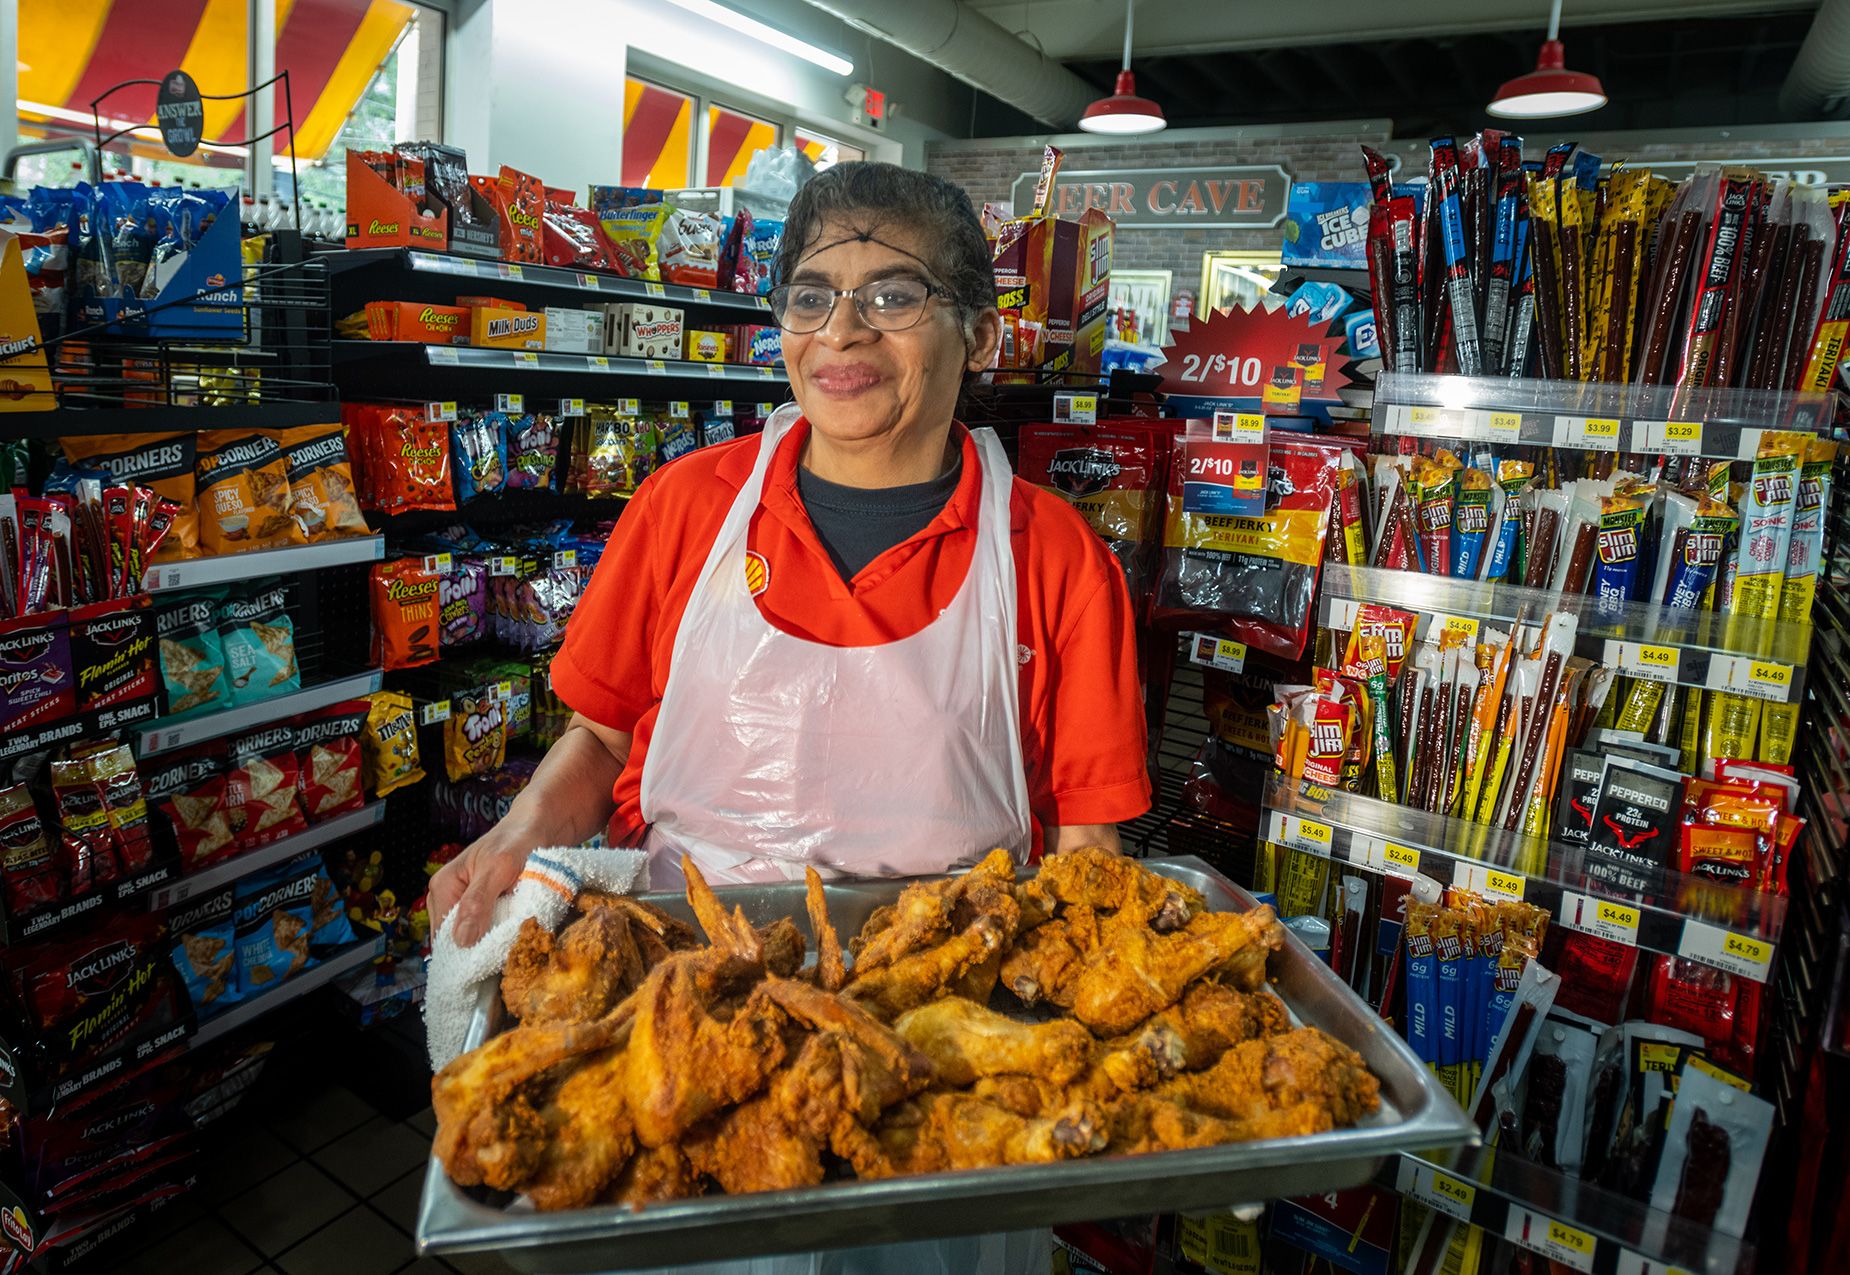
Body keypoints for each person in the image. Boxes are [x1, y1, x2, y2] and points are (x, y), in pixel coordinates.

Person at [426, 162, 1151, 1270]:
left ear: (980, 331)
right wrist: (520, 834)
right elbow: (602, 736)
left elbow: (1092, 849)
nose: (841, 330)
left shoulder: (1054, 559)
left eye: (893, 293)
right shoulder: (687, 507)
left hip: (938, 1061)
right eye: (811, 295)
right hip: (675, 1013)